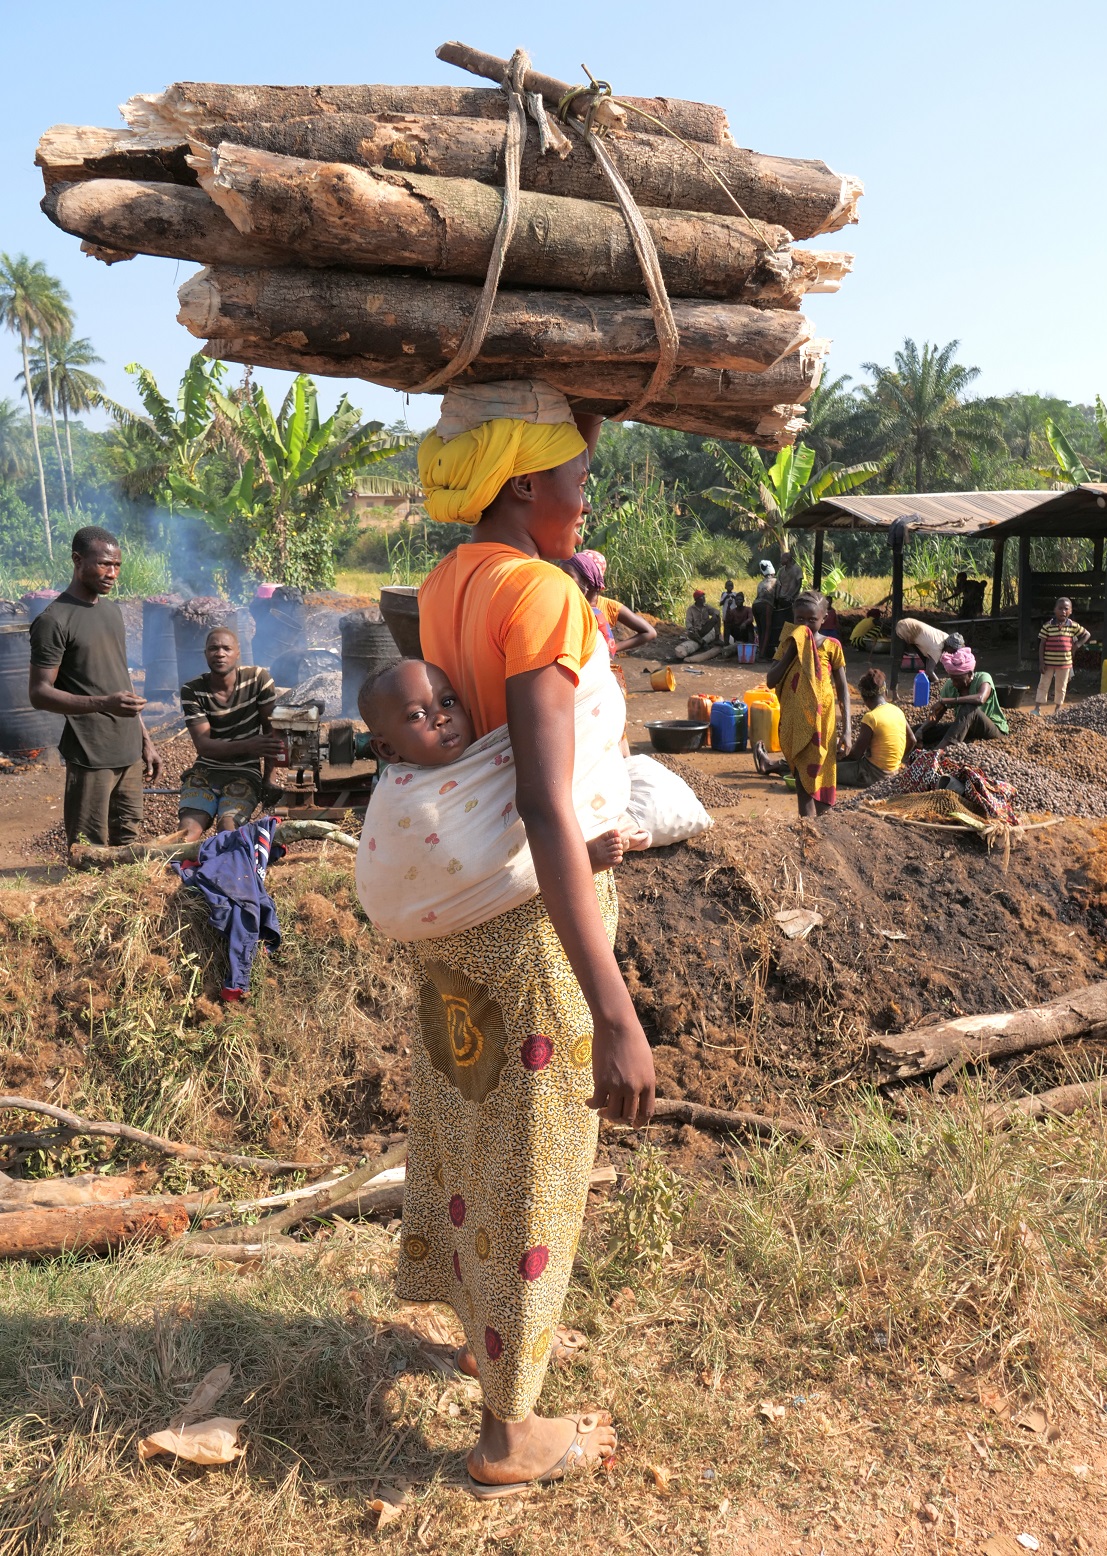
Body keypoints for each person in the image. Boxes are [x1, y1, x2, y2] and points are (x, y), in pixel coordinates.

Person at [395, 379, 654, 1495]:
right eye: (578, 479)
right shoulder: (544, 595)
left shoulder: (447, 581)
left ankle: (481, 1335)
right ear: (527, 483)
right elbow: (547, 806)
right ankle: (510, 1435)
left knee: (472, 1145)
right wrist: (614, 1007)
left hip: (461, 926)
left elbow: (485, 765)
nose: (587, 497)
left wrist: (578, 416)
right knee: (538, 1171)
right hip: (531, 928)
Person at [358, 657, 646, 869]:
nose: (442, 718)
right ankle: (580, 862)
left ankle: (574, 861)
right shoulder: (401, 800)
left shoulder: (490, 761)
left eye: (447, 703)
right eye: (417, 715)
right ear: (385, 748)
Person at [28, 525, 162, 846]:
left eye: (117, 565)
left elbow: (121, 683)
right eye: (104, 564)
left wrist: (145, 740)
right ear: (77, 560)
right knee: (89, 849)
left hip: (128, 751)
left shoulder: (112, 611)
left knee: (128, 843)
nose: (113, 573)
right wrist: (104, 704)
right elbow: (39, 693)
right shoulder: (54, 620)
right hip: (90, 753)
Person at [178, 628, 286, 842]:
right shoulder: (193, 690)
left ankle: (226, 873)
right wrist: (249, 746)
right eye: (213, 648)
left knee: (229, 829)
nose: (220, 653)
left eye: (226, 648)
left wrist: (269, 780)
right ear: (205, 654)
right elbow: (203, 746)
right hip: (205, 771)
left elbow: (272, 732)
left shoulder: (257, 679)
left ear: (238, 653)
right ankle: (174, 871)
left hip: (245, 772)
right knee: (187, 832)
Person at [753, 589, 851, 817]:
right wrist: (792, 652)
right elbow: (771, 680)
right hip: (796, 723)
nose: (805, 624)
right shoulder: (788, 643)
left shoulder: (832, 646)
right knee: (803, 783)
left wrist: (847, 730)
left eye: (812, 619)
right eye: (800, 619)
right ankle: (808, 831)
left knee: (824, 774)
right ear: (793, 617)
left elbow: (843, 689)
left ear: (824, 618)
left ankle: (823, 828)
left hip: (823, 724)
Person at [837, 668, 916, 787]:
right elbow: (913, 740)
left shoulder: (871, 717)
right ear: (885, 693)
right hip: (894, 773)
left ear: (864, 699)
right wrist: (898, 761)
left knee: (827, 771)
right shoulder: (897, 711)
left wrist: (839, 756)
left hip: (872, 775)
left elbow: (856, 755)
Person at [917, 646, 1008, 747]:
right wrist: (922, 729)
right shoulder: (950, 685)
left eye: (958, 680)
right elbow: (938, 713)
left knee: (968, 708)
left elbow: (980, 698)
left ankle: (938, 752)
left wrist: (946, 701)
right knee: (919, 730)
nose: (954, 683)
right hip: (967, 729)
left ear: (969, 674)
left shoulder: (983, 677)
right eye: (952, 679)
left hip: (992, 730)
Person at [1036, 597, 1090, 713]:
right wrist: (1041, 662)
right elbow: (1042, 644)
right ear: (1054, 610)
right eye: (1060, 609)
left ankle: (1057, 709)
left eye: (1066, 609)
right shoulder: (1048, 626)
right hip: (1048, 663)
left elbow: (1087, 634)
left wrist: (1077, 645)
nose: (1063, 611)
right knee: (1043, 684)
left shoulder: (1073, 625)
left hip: (1065, 664)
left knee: (1061, 687)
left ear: (1070, 611)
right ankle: (1037, 708)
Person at [894, 617, 951, 683]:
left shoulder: (946, 637)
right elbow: (930, 671)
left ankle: (929, 685)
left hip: (911, 627)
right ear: (949, 646)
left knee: (927, 664)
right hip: (905, 630)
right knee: (897, 661)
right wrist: (940, 686)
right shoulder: (937, 649)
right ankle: (894, 690)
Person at [674, 590, 721, 659]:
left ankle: (717, 637)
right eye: (702, 597)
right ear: (697, 600)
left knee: (716, 617)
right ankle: (702, 643)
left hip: (705, 628)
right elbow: (688, 622)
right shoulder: (690, 609)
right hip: (696, 631)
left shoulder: (707, 607)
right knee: (689, 633)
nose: (704, 598)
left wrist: (715, 613)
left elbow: (717, 611)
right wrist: (691, 628)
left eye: (704, 597)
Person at [751, 560, 776, 656]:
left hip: (755, 605)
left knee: (760, 629)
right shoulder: (776, 581)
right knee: (766, 629)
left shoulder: (761, 583)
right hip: (765, 605)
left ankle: (762, 650)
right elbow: (777, 596)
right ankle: (762, 654)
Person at [774, 550, 804, 616]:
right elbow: (779, 584)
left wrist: (791, 596)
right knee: (782, 617)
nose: (781, 560)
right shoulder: (781, 570)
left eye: (782, 558)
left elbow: (799, 584)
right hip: (782, 598)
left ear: (787, 559)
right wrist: (777, 596)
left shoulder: (797, 569)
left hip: (792, 599)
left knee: (791, 617)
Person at [718, 578, 737, 642]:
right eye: (729, 585)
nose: (730, 587)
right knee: (726, 629)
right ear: (725, 587)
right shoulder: (724, 594)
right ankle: (726, 642)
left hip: (734, 615)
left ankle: (734, 642)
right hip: (726, 615)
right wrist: (725, 598)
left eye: (731, 585)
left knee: (734, 629)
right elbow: (720, 603)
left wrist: (734, 598)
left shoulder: (735, 594)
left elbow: (738, 603)